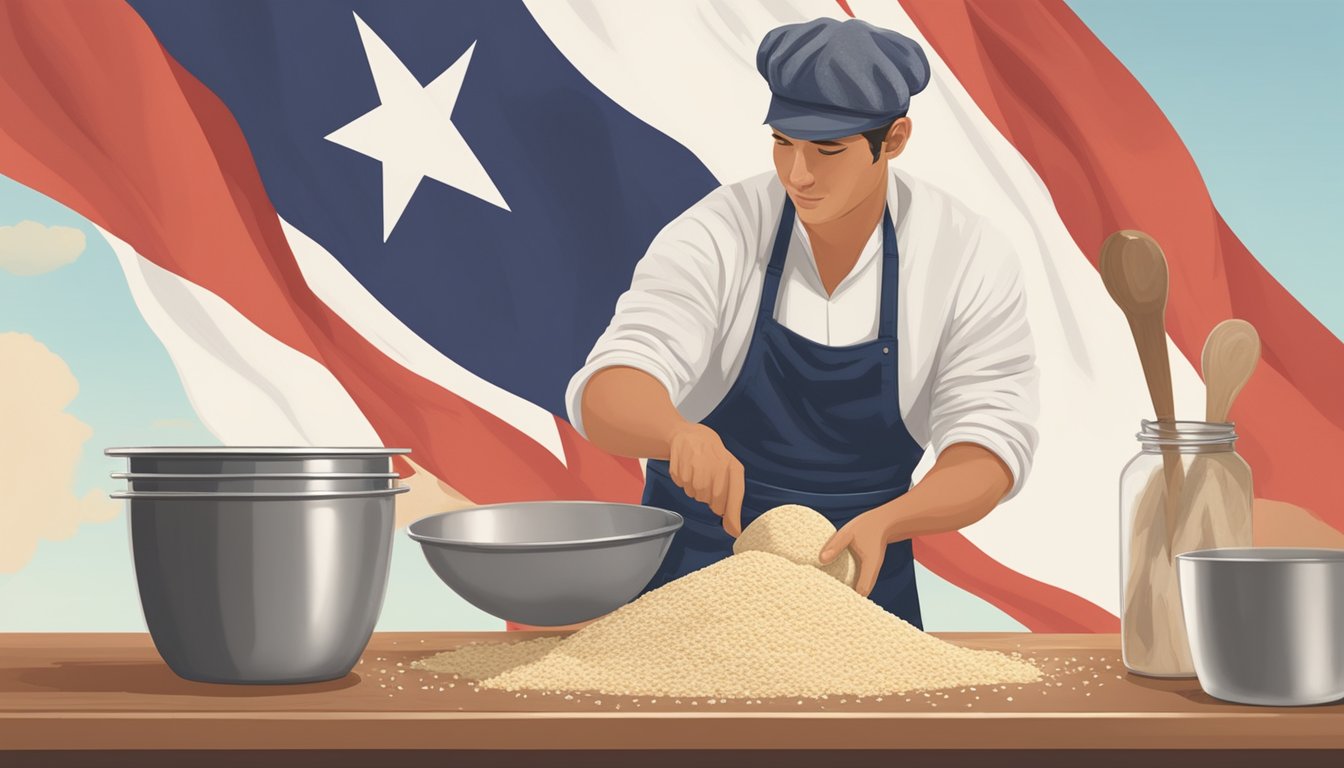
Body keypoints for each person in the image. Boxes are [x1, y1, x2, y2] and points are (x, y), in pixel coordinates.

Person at [565, 18, 1038, 628]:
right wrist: (675, 433)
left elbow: (990, 446)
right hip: (692, 582)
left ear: (893, 140)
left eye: (828, 150)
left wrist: (890, 522)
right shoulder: (720, 231)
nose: (799, 175)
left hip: (862, 585)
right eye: (783, 142)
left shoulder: (965, 254)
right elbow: (613, 381)